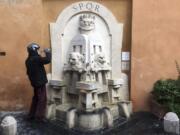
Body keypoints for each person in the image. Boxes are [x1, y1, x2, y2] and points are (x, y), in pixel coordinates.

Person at [25, 43, 51, 122]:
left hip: (35, 83)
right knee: (42, 99)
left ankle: (31, 115)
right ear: (34, 50)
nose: (38, 51)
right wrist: (48, 52)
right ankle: (40, 117)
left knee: (36, 99)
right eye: (37, 50)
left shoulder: (28, 60)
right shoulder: (36, 58)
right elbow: (47, 60)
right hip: (40, 83)